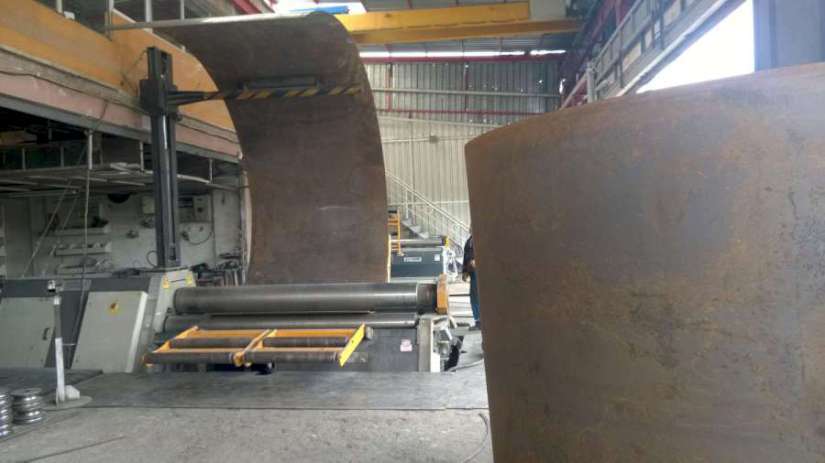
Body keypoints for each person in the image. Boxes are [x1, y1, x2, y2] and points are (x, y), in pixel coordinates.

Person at [463, 233, 480, 330]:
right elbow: (466, 257)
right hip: (473, 273)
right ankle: (478, 321)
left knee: (478, 297)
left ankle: (480, 322)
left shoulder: (480, 239)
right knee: (474, 298)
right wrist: (464, 271)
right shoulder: (469, 241)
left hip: (479, 272)